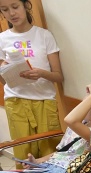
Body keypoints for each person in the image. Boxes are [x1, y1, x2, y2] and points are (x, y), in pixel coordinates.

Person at [0, 0, 64, 160]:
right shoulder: (2, 39)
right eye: (5, 9)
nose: (11, 13)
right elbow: (4, 81)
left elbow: (58, 76)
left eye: (15, 7)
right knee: (23, 154)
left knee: (49, 153)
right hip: (16, 102)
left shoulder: (44, 35)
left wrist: (41, 73)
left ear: (26, 5)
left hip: (44, 101)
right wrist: (4, 69)